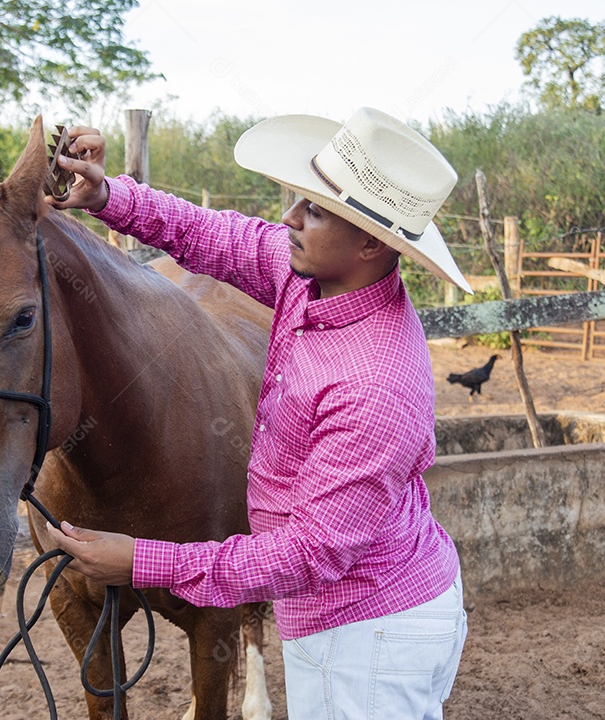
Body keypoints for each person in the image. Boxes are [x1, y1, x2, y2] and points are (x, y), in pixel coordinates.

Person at [44, 107, 470, 719]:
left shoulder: (377, 384)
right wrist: (108, 195)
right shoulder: (316, 278)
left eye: (315, 210)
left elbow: (306, 555)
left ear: (371, 242)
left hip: (368, 635)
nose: (289, 219)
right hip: (344, 618)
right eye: (298, 199)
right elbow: (212, 234)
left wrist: (141, 559)